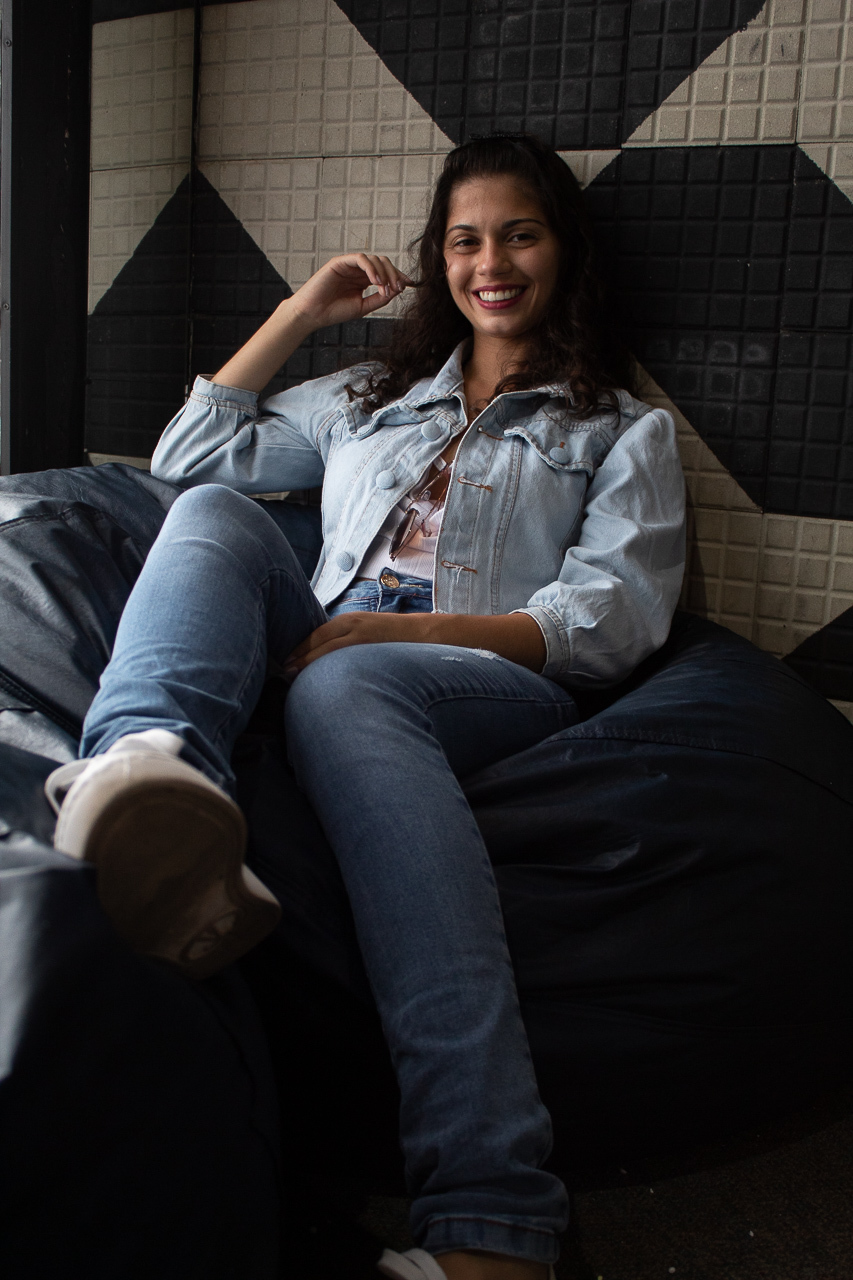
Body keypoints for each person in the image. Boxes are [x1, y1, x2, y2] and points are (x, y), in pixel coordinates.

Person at [46, 135, 685, 1280]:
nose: (490, 263)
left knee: (348, 678)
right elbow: (190, 453)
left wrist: (401, 635)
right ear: (439, 259)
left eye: (519, 234)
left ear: (565, 250)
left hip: (482, 674)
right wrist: (305, 309)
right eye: (464, 240)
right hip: (331, 639)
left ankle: (493, 1213)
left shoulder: (618, 429)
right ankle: (146, 773)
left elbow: (612, 616)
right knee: (212, 516)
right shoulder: (370, 394)